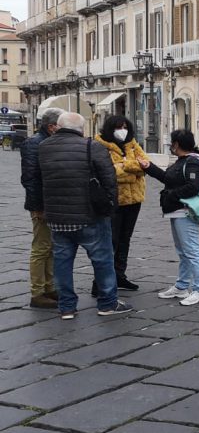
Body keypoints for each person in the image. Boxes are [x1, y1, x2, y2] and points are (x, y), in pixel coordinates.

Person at [38, 112, 134, 320]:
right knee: (102, 260)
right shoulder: (92, 146)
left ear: (59, 127)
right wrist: (110, 208)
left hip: (58, 217)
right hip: (90, 215)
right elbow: (109, 180)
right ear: (81, 129)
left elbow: (38, 180)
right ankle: (107, 303)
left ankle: (66, 307)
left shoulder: (44, 147)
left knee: (62, 263)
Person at [140, 129, 199, 306]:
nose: (171, 145)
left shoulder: (193, 162)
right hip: (176, 211)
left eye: (172, 142)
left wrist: (171, 196)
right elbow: (167, 178)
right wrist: (149, 167)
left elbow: (193, 187)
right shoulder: (181, 161)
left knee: (193, 251)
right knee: (183, 251)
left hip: (185, 211)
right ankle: (182, 286)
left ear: (177, 144)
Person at [93, 115, 148, 293]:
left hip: (134, 200)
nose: (122, 130)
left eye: (125, 126)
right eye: (118, 127)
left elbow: (145, 165)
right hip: (113, 200)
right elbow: (109, 172)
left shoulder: (132, 143)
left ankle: (119, 275)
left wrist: (126, 165)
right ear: (110, 128)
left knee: (125, 239)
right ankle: (101, 281)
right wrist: (133, 169)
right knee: (110, 241)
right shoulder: (99, 145)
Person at [20, 107, 64, 309]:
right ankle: (37, 292)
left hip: (51, 202)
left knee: (50, 247)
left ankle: (49, 287)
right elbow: (30, 178)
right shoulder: (34, 143)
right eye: (60, 124)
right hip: (41, 204)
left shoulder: (47, 141)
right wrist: (38, 206)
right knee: (41, 248)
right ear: (51, 126)